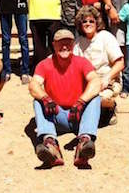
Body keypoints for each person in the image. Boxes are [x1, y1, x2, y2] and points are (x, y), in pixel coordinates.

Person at [28, 29, 101, 168]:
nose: (65, 46)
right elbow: (33, 85)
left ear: (73, 45)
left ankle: (84, 142)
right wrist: (46, 99)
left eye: (68, 42)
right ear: (54, 45)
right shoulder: (44, 64)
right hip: (56, 114)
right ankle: (51, 143)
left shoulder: (82, 62)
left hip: (79, 115)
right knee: (37, 100)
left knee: (95, 98)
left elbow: (96, 81)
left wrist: (81, 101)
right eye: (60, 43)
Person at [74, 6, 124, 125]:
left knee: (99, 99)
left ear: (97, 23)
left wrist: (107, 78)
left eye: (91, 21)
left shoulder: (105, 37)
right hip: (87, 81)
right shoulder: (78, 42)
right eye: (84, 21)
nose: (88, 24)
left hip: (107, 80)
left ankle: (110, 108)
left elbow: (120, 63)